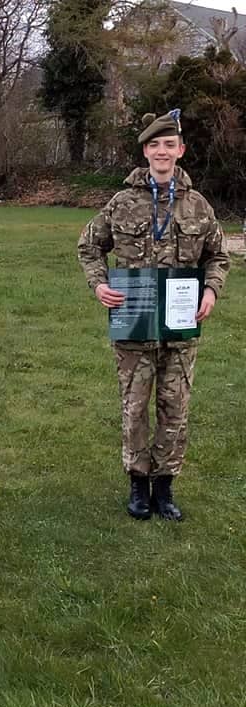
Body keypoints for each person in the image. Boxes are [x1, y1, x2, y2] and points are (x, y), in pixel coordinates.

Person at [77, 109, 228, 522]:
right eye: (154, 145)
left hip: (180, 328)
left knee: (175, 407)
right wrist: (99, 284)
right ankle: (138, 486)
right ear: (145, 151)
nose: (162, 152)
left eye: (169, 145)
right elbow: (89, 247)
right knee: (135, 407)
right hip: (134, 324)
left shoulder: (198, 206)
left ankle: (165, 488)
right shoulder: (121, 202)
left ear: (181, 150)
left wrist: (212, 290)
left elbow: (218, 255)